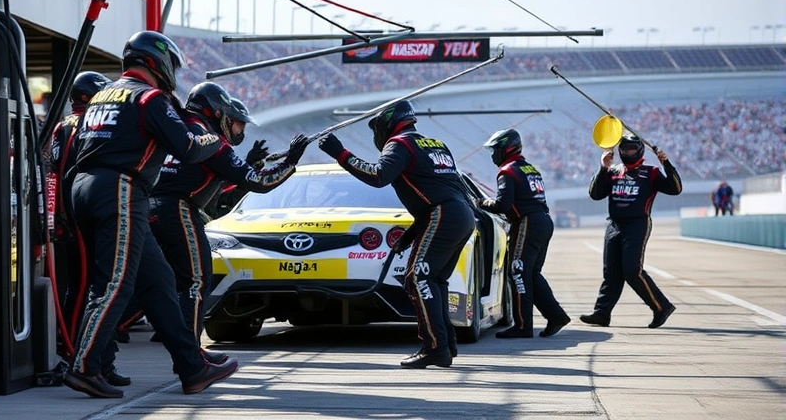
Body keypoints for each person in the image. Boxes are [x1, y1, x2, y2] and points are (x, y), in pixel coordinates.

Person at [64, 30, 238, 398]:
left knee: (156, 282)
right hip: (120, 189)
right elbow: (189, 148)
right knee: (115, 285)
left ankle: (192, 367)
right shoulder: (150, 97)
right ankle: (84, 367)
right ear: (157, 61)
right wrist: (213, 138)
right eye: (171, 64)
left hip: (84, 187)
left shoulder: (102, 95)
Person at [149, 82, 310, 361]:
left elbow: (219, 188)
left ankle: (99, 358)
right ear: (218, 114)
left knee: (141, 284)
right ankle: (190, 356)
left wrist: (248, 162)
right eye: (237, 124)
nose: (240, 131)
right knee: (196, 281)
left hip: (145, 207)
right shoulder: (211, 140)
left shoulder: (177, 130)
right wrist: (291, 161)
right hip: (177, 210)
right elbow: (261, 183)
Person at [317, 100, 474, 369]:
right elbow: (445, 189)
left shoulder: (399, 144)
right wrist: (410, 236)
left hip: (443, 214)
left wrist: (340, 153)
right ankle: (446, 344)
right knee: (433, 280)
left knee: (419, 277)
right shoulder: (436, 144)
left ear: (387, 123)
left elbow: (378, 176)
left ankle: (434, 348)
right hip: (461, 214)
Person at [40, 71, 131, 388]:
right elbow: (70, 173)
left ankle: (100, 359)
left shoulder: (60, 127)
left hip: (67, 216)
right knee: (87, 289)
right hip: (79, 217)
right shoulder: (84, 127)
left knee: (91, 288)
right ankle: (80, 355)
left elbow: (54, 173)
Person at [580, 133, 682, 329]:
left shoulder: (650, 172)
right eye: (625, 149)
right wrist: (603, 167)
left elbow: (675, 188)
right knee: (611, 272)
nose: (628, 152)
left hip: (638, 224)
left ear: (640, 150)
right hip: (614, 224)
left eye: (632, 149)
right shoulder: (613, 171)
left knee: (632, 270)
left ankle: (661, 307)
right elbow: (595, 194)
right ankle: (602, 314)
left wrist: (666, 164)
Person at [476, 129, 570, 339]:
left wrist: (481, 203)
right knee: (531, 274)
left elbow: (502, 204)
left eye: (495, 150)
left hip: (528, 223)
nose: (493, 155)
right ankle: (556, 316)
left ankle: (523, 326)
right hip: (543, 221)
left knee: (518, 272)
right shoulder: (530, 168)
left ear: (506, 148)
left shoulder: (507, 171)